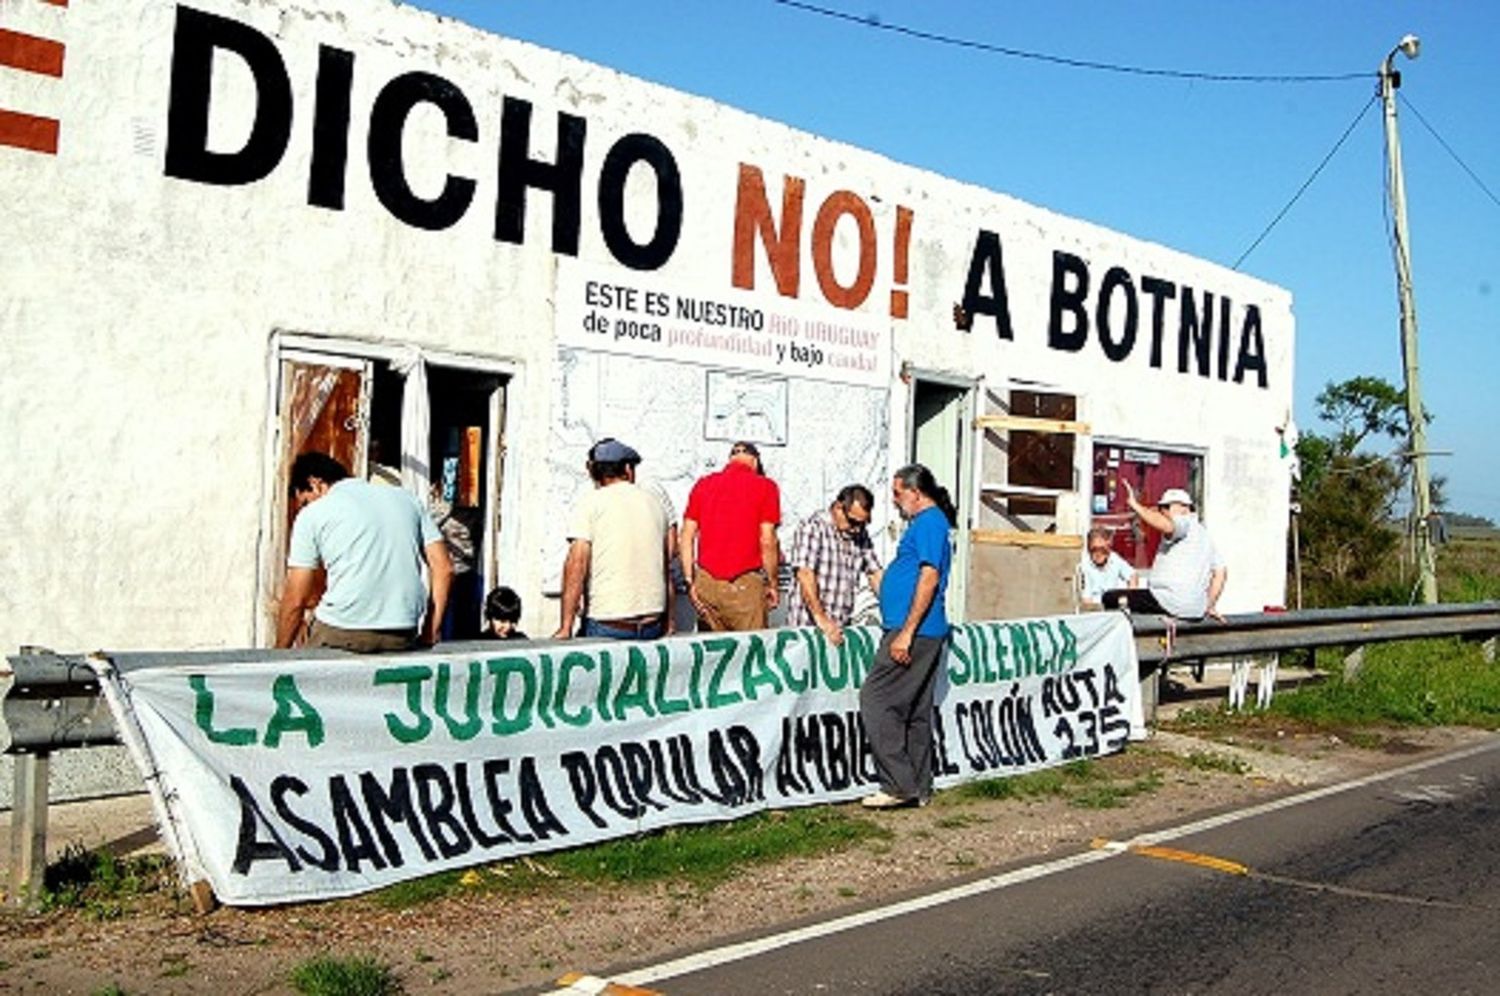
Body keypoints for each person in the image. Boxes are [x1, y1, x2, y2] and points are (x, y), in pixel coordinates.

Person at [276, 451, 453, 652]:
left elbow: (295, 599)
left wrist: (278, 656)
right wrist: (431, 629)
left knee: (310, 674)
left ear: (315, 483)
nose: (304, 508)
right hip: (401, 632)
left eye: (305, 501)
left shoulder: (313, 514)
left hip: (341, 631)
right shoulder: (407, 499)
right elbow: (444, 568)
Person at [859, 464, 956, 810]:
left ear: (915, 492)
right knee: (914, 710)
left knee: (876, 699)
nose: (896, 502)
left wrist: (906, 632)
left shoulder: (929, 523)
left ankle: (897, 783)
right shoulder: (930, 524)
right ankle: (918, 784)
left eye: (898, 494)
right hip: (921, 629)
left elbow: (928, 577)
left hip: (914, 630)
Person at [553, 438, 672, 641]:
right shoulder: (655, 503)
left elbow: (577, 564)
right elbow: (666, 565)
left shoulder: (590, 503)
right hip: (653, 625)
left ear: (592, 471)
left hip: (609, 624)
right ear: (627, 469)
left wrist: (566, 627)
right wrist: (670, 623)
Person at [680, 442, 782, 631]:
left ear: (730, 459)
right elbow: (767, 541)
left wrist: (689, 580)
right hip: (744, 584)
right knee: (751, 653)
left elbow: (686, 536)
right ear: (755, 461)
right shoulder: (766, 486)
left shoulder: (703, 485)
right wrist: (773, 583)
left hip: (706, 583)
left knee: (713, 656)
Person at [1103, 483, 1227, 621]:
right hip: (1195, 610)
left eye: (1165, 507)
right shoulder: (1204, 536)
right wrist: (1209, 605)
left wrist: (1135, 505)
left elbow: (1168, 526)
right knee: (1136, 599)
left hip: (1169, 601)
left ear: (1183, 508)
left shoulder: (1183, 520)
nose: (1162, 512)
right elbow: (1220, 572)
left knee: (1110, 598)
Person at [785, 484, 884, 645]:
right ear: (838, 507)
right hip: (808, 628)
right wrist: (821, 619)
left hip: (840, 628)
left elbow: (874, 573)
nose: (857, 529)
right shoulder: (812, 528)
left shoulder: (860, 535)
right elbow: (805, 573)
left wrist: (894, 612)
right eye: (853, 522)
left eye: (863, 523)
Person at [1078, 524, 1138, 609]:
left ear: (1109, 548)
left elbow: (1132, 575)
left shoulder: (1114, 559)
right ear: (1088, 548)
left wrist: (1130, 596)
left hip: (1114, 605)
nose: (1098, 553)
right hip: (1095, 607)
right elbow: (1086, 599)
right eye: (1094, 549)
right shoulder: (1084, 565)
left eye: (1102, 549)